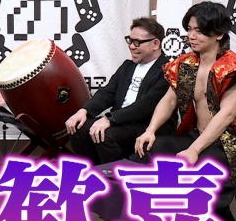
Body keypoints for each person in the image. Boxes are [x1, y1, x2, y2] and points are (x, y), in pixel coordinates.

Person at [132, 1, 236, 221]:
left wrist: (194, 150)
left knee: (204, 167)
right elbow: (169, 100)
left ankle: (222, 220)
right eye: (189, 29)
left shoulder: (235, 69)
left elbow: (226, 115)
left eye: (199, 31)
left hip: (230, 143)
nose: (191, 36)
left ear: (219, 34)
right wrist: (150, 130)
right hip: (196, 135)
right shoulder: (187, 64)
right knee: (150, 149)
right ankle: (158, 213)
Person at [66, 17, 176, 164]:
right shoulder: (127, 66)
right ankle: (92, 170)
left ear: (155, 44)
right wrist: (84, 111)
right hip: (121, 121)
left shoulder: (167, 70)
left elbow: (144, 106)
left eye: (137, 42)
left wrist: (110, 119)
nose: (131, 46)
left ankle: (115, 175)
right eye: (130, 41)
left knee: (105, 134)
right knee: (78, 127)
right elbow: (107, 92)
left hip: (145, 125)